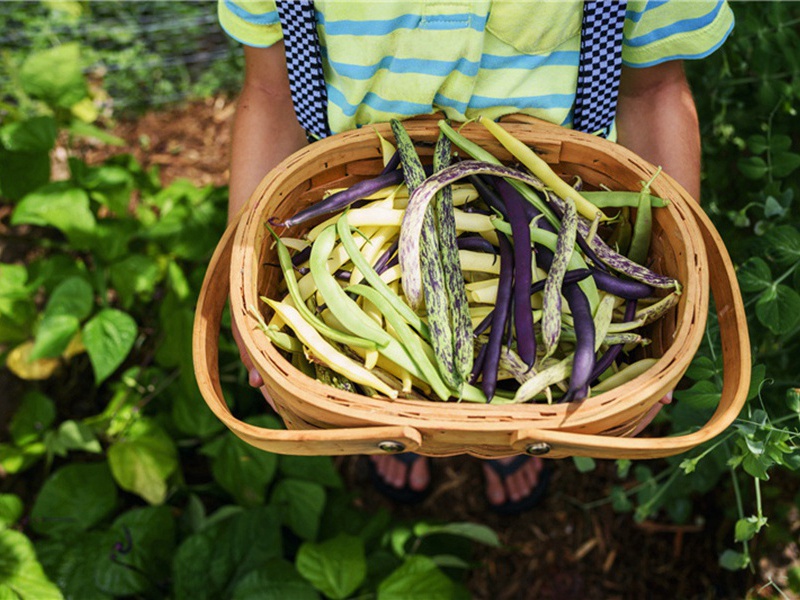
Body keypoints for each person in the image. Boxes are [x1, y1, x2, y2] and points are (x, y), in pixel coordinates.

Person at [217, 0, 734, 513]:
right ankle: (393, 409)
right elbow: (270, 90)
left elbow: (655, 92)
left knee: (517, 369)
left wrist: (673, 278)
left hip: (555, 205)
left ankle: (501, 425)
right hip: (365, 195)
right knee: (383, 391)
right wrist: (244, 287)